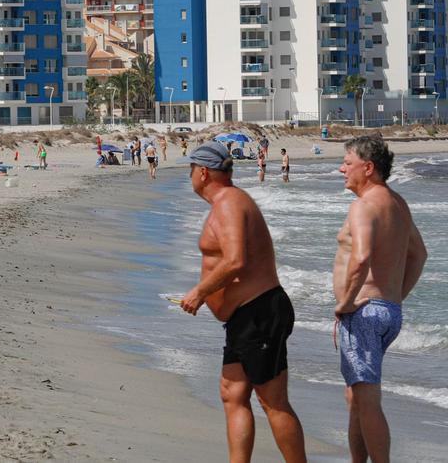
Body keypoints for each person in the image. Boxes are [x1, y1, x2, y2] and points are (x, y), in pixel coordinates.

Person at [179, 142, 306, 463]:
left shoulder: (229, 203)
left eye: (191, 169)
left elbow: (236, 261)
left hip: (260, 312)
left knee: (273, 401)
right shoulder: (224, 202)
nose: (190, 175)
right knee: (232, 393)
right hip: (244, 318)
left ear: (203, 172)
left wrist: (200, 292)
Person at [333, 136, 427, 463]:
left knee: (368, 401)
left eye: (348, 162)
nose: (341, 168)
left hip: (364, 315)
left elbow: (361, 258)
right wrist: (393, 298)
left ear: (368, 167)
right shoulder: (397, 202)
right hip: (386, 312)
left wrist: (346, 303)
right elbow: (419, 255)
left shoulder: (364, 205)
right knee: (356, 397)